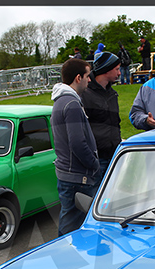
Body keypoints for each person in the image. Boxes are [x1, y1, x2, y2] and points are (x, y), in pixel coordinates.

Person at [51, 58, 99, 236]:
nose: (89, 80)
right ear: (78, 78)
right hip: (77, 178)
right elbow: (77, 143)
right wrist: (94, 164)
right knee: (72, 228)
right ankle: (67, 260)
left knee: (69, 221)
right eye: (87, 76)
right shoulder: (71, 104)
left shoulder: (60, 102)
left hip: (68, 175)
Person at [81, 51, 121, 188]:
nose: (120, 73)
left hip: (114, 156)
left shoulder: (113, 94)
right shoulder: (85, 95)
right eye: (117, 69)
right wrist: (92, 159)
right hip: (97, 160)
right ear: (106, 70)